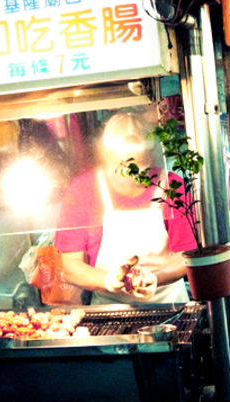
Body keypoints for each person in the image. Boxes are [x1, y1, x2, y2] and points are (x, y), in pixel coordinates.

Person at [55, 112, 197, 305]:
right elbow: (71, 266)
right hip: (109, 310)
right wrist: (107, 280)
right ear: (105, 154)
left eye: (138, 164)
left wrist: (154, 279)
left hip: (170, 305)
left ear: (150, 154)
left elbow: (187, 255)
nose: (131, 174)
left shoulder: (172, 185)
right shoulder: (82, 191)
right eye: (122, 165)